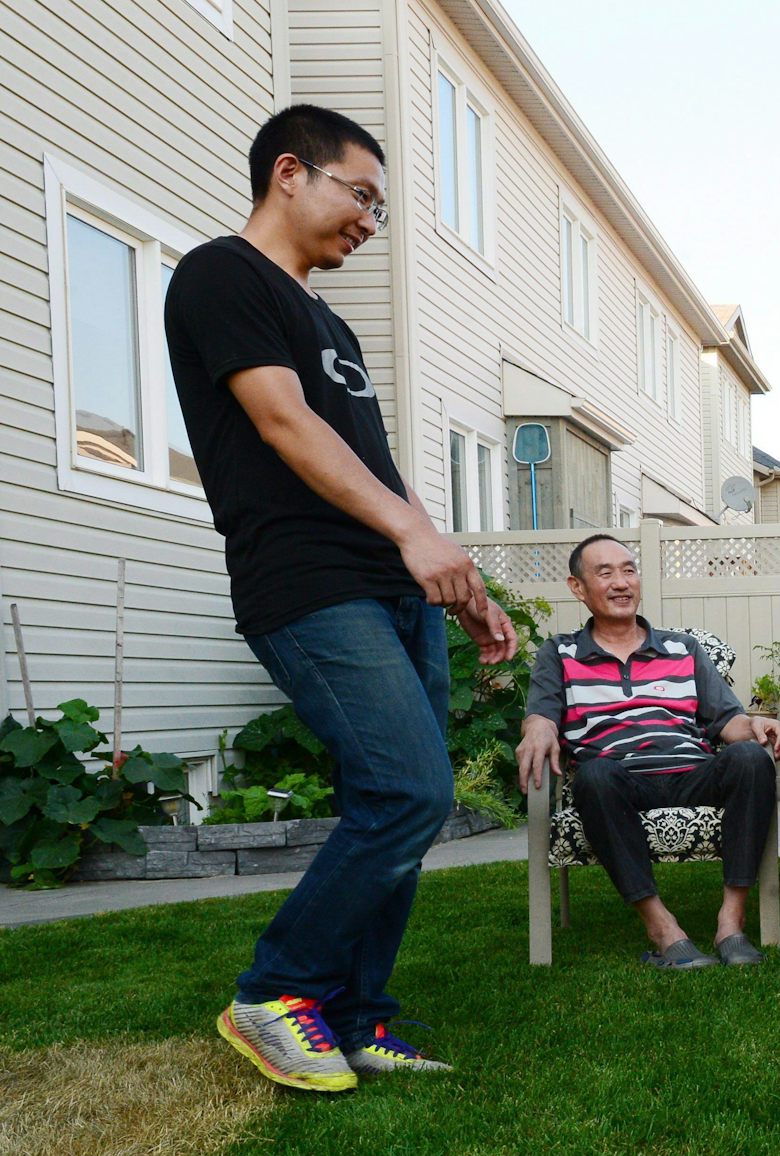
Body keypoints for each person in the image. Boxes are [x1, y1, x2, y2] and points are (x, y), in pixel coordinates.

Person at [165, 105, 517, 1092]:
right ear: (290, 172)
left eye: (380, 207)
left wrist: (453, 572)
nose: (370, 219)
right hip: (306, 579)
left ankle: (355, 1015)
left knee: (392, 803)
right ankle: (274, 992)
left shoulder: (331, 320)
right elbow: (281, 425)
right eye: (360, 194)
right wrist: (407, 536)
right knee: (411, 791)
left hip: (388, 584)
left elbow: (376, 462)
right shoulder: (219, 276)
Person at [518, 534, 780, 969]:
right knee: (595, 775)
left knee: (751, 757)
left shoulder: (683, 649)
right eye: (605, 573)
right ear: (578, 587)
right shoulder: (560, 653)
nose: (621, 582)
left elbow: (727, 720)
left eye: (629, 570)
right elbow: (542, 714)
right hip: (619, 782)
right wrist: (537, 728)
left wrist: (754, 725)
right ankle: (663, 929)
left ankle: (731, 922)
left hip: (691, 773)